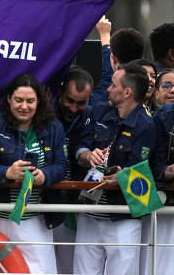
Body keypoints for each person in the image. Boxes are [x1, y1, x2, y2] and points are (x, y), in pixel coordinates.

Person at [0, 73, 66, 274]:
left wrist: (45, 175)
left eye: (30, 101)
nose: (24, 106)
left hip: (37, 218)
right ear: (9, 99)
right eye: (18, 100)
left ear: (39, 101)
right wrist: (7, 172)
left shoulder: (53, 126)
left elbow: (61, 166)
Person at [73, 64, 155, 275]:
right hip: (89, 212)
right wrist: (88, 156)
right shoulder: (99, 111)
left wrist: (123, 176)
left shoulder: (147, 124)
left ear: (127, 92)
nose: (108, 89)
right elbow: (80, 149)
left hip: (123, 216)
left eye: (113, 84)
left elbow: (145, 171)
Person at [51, 65, 94, 273]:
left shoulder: (92, 116)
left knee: (70, 267)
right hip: (45, 202)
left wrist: (88, 156)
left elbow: (86, 148)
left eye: (81, 103)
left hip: (75, 204)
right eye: (70, 101)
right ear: (60, 91)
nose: (74, 108)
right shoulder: (44, 113)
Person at [150, 71, 174, 273]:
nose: (173, 90)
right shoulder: (156, 119)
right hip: (158, 205)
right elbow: (153, 166)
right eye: (167, 85)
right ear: (155, 92)